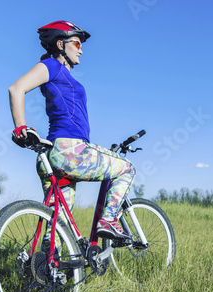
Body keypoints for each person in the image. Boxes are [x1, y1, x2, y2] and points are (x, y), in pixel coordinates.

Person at [9, 20, 135, 241]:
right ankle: (109, 221)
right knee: (126, 169)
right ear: (60, 44)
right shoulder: (51, 66)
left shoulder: (61, 74)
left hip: (54, 155)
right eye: (77, 44)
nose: (81, 49)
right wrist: (20, 127)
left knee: (58, 224)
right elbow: (16, 88)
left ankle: (48, 269)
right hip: (70, 151)